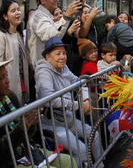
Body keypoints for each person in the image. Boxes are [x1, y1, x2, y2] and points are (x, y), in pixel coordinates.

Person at [35, 36, 103, 167]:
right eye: (58, 54)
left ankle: (100, 165)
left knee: (95, 135)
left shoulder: (64, 67)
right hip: (53, 124)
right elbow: (50, 100)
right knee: (81, 150)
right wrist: (79, 106)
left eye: (64, 53)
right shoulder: (43, 73)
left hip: (69, 118)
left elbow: (80, 82)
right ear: (48, 57)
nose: (62, 57)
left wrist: (86, 100)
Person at [0, 59, 77, 168]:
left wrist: (31, 123)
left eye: (6, 75)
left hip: (26, 149)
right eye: (2, 77)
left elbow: (27, 135)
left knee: (69, 161)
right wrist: (22, 127)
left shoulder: (10, 96)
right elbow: (3, 151)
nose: (8, 80)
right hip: (9, 161)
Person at [26, 0, 82, 69]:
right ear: (42, 0)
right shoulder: (38, 15)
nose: (56, 0)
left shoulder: (47, 15)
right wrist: (66, 17)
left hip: (50, 65)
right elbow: (50, 36)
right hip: (42, 66)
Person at [0, 0, 29, 105]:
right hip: (8, 82)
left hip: (21, 82)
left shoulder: (18, 34)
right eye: (13, 10)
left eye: (18, 9)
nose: (17, 13)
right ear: (5, 16)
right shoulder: (2, 35)